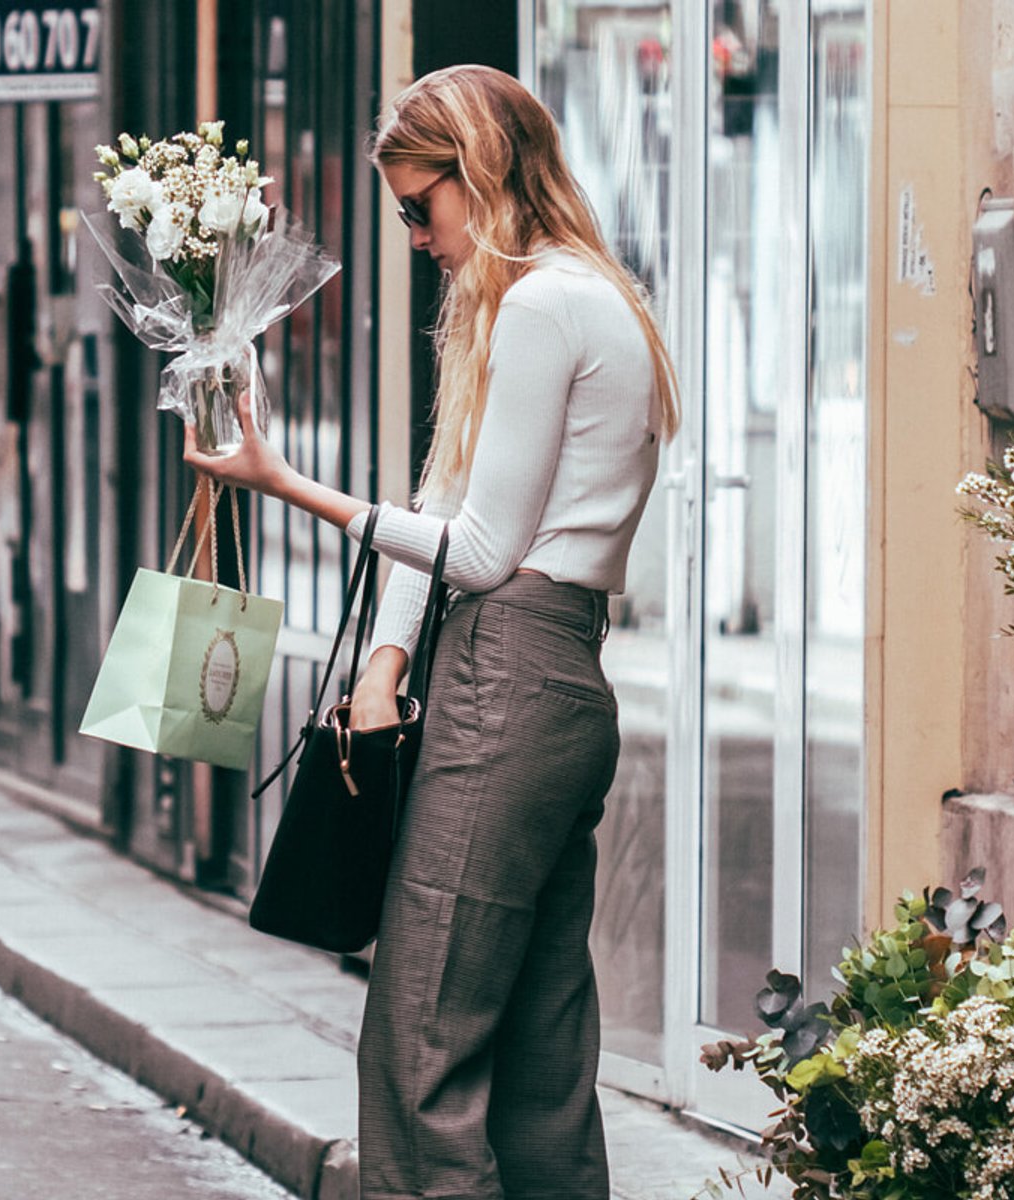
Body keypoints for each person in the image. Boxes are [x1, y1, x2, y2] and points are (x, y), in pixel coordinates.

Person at [185, 63, 678, 1200]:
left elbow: (482, 550)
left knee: (419, 1042)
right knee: (538, 1055)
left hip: (507, 674)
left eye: (420, 207)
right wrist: (389, 659)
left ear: (484, 174)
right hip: (546, 677)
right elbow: (451, 498)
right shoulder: (567, 297)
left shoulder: (547, 305)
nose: (413, 234)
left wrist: (285, 481)